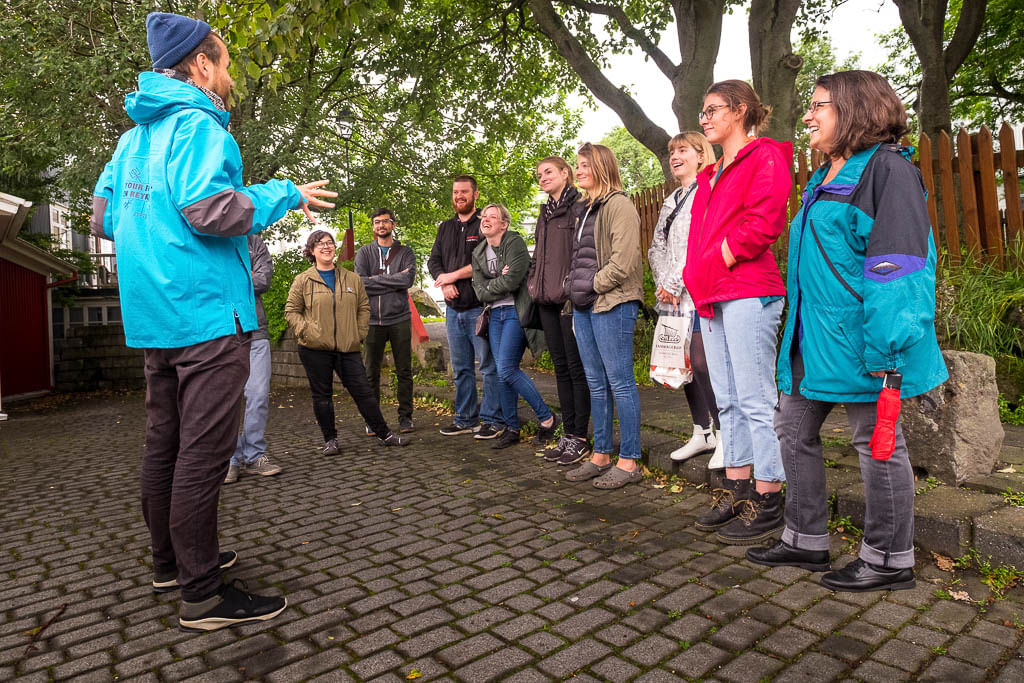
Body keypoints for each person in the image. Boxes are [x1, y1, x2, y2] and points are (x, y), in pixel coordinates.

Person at [90, 12, 336, 631]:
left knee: (165, 445)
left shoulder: (130, 140)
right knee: (202, 453)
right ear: (201, 66)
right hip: (206, 316)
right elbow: (210, 209)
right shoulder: (197, 124)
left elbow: (102, 219)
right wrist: (283, 194)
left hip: (154, 319)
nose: (229, 77)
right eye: (224, 64)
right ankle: (201, 593)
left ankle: (171, 564)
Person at [747, 70, 948, 591]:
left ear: (856, 108)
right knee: (792, 429)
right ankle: (804, 539)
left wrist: (888, 350)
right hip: (812, 339)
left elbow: (899, 267)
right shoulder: (825, 175)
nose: (807, 116)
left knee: (875, 442)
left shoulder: (887, 171)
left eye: (819, 106)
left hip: (867, 342)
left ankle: (889, 559)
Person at [684, 80, 791, 544]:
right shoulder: (709, 174)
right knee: (726, 399)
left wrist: (721, 258)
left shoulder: (764, 156)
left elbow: (765, 221)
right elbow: (698, 237)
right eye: (703, 111)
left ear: (740, 110)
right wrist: (697, 274)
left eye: (713, 110)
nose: (704, 118)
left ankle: (769, 496)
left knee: (754, 398)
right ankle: (737, 488)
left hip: (748, 289)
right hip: (711, 293)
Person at [564, 143, 645, 490]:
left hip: (613, 302)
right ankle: (600, 455)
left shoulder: (619, 205)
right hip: (584, 305)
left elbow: (623, 262)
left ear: (601, 167)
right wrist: (573, 286)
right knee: (595, 383)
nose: (578, 170)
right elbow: (579, 257)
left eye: (584, 165)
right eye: (577, 165)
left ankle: (629, 461)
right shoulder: (585, 209)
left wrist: (591, 285)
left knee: (620, 382)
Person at [286, 231, 411, 453]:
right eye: (320, 244)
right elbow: (292, 311)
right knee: (322, 396)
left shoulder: (351, 278)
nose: (326, 247)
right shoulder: (303, 280)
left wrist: (359, 333)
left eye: (330, 243)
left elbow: (364, 307)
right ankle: (330, 440)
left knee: (364, 391)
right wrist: (306, 331)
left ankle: (384, 434)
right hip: (314, 348)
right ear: (312, 250)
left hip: (347, 346)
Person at [646, 132, 722, 465]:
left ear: (701, 155)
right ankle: (701, 431)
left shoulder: (707, 190)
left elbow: (698, 243)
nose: (674, 156)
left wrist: (675, 283)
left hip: (699, 292)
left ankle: (725, 434)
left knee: (702, 363)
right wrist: (664, 285)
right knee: (682, 363)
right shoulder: (671, 199)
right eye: (671, 152)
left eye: (682, 150)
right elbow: (656, 247)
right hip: (672, 297)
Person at [471, 204, 560, 449]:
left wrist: (491, 283)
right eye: (483, 216)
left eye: (492, 216)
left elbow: (512, 281)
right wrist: (496, 281)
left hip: (515, 312)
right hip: (494, 314)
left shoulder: (514, 243)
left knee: (507, 369)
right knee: (502, 373)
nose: (486, 219)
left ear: (504, 224)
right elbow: (478, 291)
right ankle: (512, 428)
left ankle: (547, 418)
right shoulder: (478, 251)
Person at [428, 175, 504, 439]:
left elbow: (485, 262)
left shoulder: (484, 223)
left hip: (478, 308)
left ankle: (493, 420)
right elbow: (433, 261)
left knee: (488, 367)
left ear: (475, 194)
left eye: (464, 192)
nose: (459, 196)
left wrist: (452, 276)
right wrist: (444, 282)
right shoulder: (445, 227)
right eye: (455, 192)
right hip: (453, 310)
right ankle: (465, 419)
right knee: (461, 369)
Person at [527, 157, 592, 466]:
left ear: (565, 173)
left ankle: (580, 437)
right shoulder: (545, 212)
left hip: (568, 300)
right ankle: (568, 433)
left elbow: (582, 253)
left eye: (548, 172)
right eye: (539, 175)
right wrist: (533, 284)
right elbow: (539, 256)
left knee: (577, 369)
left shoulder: (578, 206)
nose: (543, 178)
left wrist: (571, 288)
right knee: (560, 368)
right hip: (545, 300)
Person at [225, 234, 281, 484]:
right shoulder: (209, 238)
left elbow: (263, 279)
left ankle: (255, 455)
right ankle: (230, 458)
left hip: (255, 329)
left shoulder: (254, 242)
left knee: (258, 395)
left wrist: (229, 280)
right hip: (221, 333)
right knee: (226, 399)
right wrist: (246, 277)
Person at [354, 208, 416, 434]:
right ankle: (373, 420)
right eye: (377, 222)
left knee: (404, 371)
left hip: (399, 318)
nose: (381, 225)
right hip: (372, 320)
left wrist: (375, 280)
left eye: (385, 221)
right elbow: (360, 283)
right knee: (370, 373)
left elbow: (407, 280)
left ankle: (406, 418)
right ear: (373, 226)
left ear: (393, 224)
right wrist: (392, 280)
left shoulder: (405, 252)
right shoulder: (364, 252)